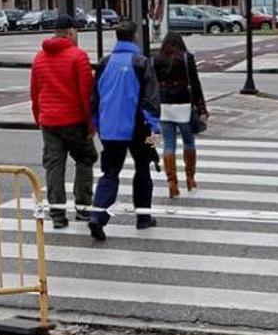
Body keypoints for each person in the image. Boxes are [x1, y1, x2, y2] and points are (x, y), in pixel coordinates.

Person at [89, 21, 161, 241]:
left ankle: (98, 215)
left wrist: (98, 124)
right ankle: (143, 217)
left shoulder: (104, 63)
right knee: (143, 169)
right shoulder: (142, 63)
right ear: (135, 36)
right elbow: (151, 100)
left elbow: (94, 98)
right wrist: (155, 134)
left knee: (109, 173)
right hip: (141, 127)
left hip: (110, 129)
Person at [29, 13, 96, 229]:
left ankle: (57, 214)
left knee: (54, 166)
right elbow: (86, 94)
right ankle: (83, 207)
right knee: (85, 158)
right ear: (70, 32)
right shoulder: (78, 56)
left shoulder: (39, 57)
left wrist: (38, 117)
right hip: (74, 119)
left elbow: (35, 92)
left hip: (48, 120)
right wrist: (91, 123)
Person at [152, 33, 208, 197]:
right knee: (189, 141)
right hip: (184, 104)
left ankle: (172, 183)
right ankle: (190, 178)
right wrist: (202, 107)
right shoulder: (187, 58)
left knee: (169, 144)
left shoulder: (156, 60)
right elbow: (195, 83)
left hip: (164, 105)